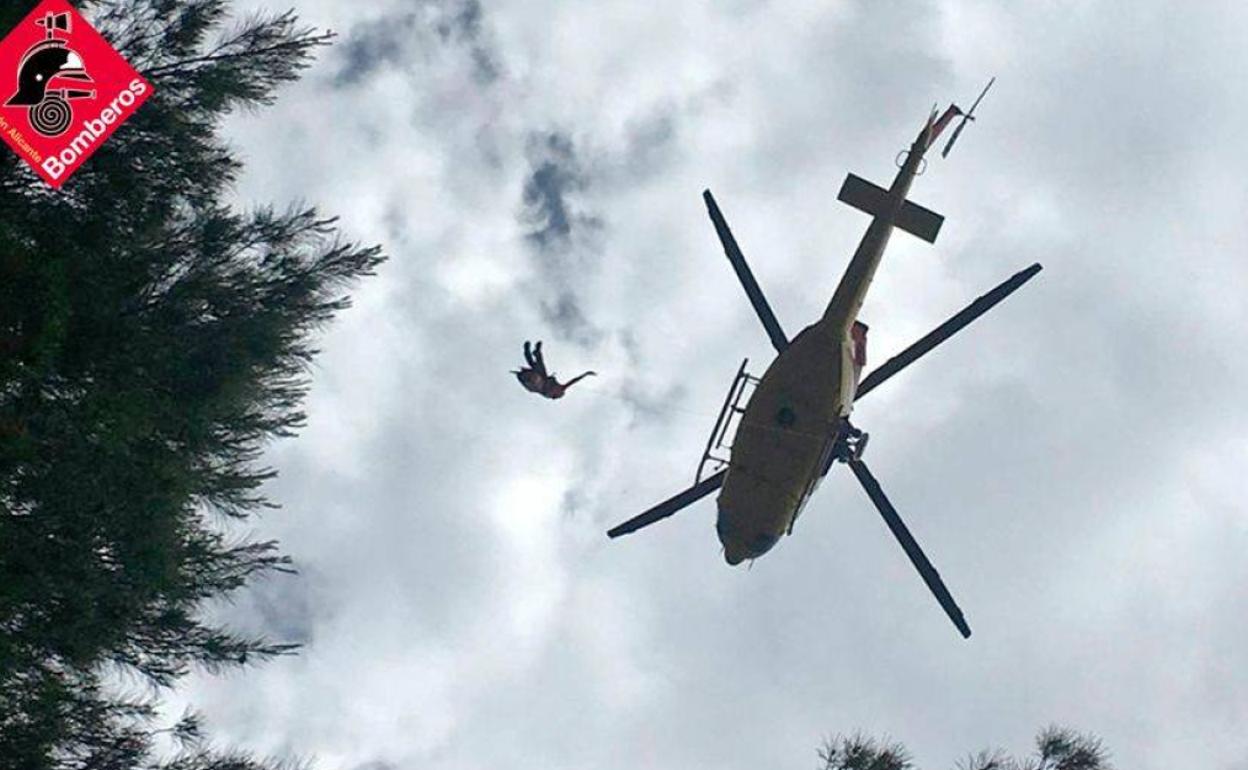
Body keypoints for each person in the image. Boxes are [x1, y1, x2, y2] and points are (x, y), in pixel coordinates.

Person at [513, 340, 595, 399]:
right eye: (559, 389)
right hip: (542, 377)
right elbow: (574, 381)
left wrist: (528, 379)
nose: (558, 388)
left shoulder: (547, 393)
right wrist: (585, 374)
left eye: (557, 391)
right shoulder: (561, 388)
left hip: (533, 382)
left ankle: (528, 352)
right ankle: (536, 352)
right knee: (539, 364)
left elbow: (534, 387)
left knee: (535, 368)